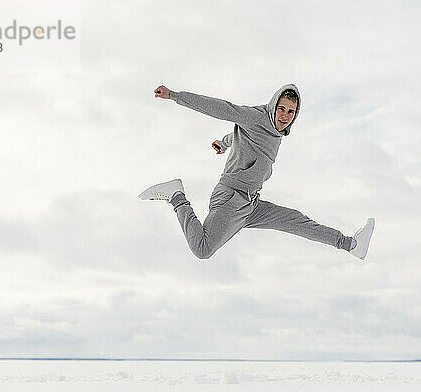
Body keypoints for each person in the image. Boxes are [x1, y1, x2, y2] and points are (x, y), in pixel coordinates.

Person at [139, 84, 374, 260]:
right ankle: (176, 196)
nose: (284, 116)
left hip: (251, 203)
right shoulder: (255, 117)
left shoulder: (277, 132)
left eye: (291, 112)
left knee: (296, 221)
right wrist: (175, 96)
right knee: (203, 249)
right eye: (281, 109)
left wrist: (224, 142)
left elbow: (246, 139)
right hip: (231, 197)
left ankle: (351, 245)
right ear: (273, 105)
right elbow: (221, 109)